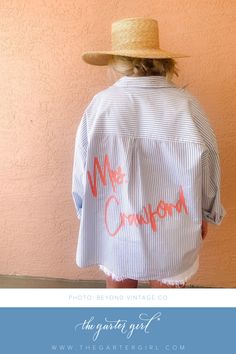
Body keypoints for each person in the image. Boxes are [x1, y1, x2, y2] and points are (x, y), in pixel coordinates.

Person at [72, 17, 226, 288]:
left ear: (118, 61)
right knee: (165, 307)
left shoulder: (101, 106)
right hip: (175, 227)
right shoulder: (188, 107)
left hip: (114, 223)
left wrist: (85, 211)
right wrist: (207, 210)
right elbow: (209, 163)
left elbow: (82, 167)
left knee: (119, 303)